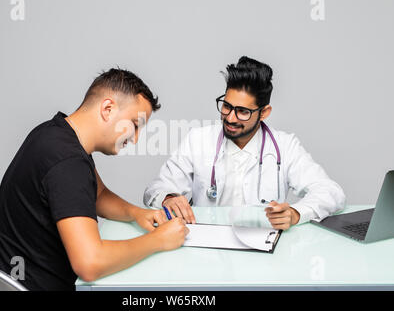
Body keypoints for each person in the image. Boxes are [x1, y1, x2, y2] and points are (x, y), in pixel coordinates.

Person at [0, 68, 188, 291]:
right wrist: (158, 241)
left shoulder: (55, 133)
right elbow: (89, 263)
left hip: (0, 280)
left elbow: (97, 194)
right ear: (108, 109)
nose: (135, 138)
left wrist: (137, 213)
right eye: (135, 125)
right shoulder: (68, 162)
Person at [144, 56, 346, 230]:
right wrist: (168, 197)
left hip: (263, 251)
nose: (230, 118)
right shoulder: (198, 140)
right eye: (226, 107)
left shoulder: (285, 146)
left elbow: (331, 192)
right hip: (207, 249)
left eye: (243, 111)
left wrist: (295, 213)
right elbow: (155, 189)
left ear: (264, 113)